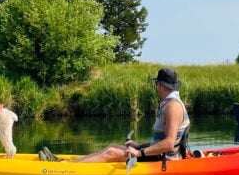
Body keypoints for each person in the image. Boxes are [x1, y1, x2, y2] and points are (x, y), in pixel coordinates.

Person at [39, 68, 190, 163]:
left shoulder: (173, 107)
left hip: (166, 161)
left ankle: (66, 169)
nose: (156, 88)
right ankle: (68, 163)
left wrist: (139, 152)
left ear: (161, 85)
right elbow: (159, 142)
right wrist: (138, 145)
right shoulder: (169, 104)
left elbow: (169, 143)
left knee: (111, 152)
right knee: (111, 147)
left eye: (156, 84)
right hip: (157, 155)